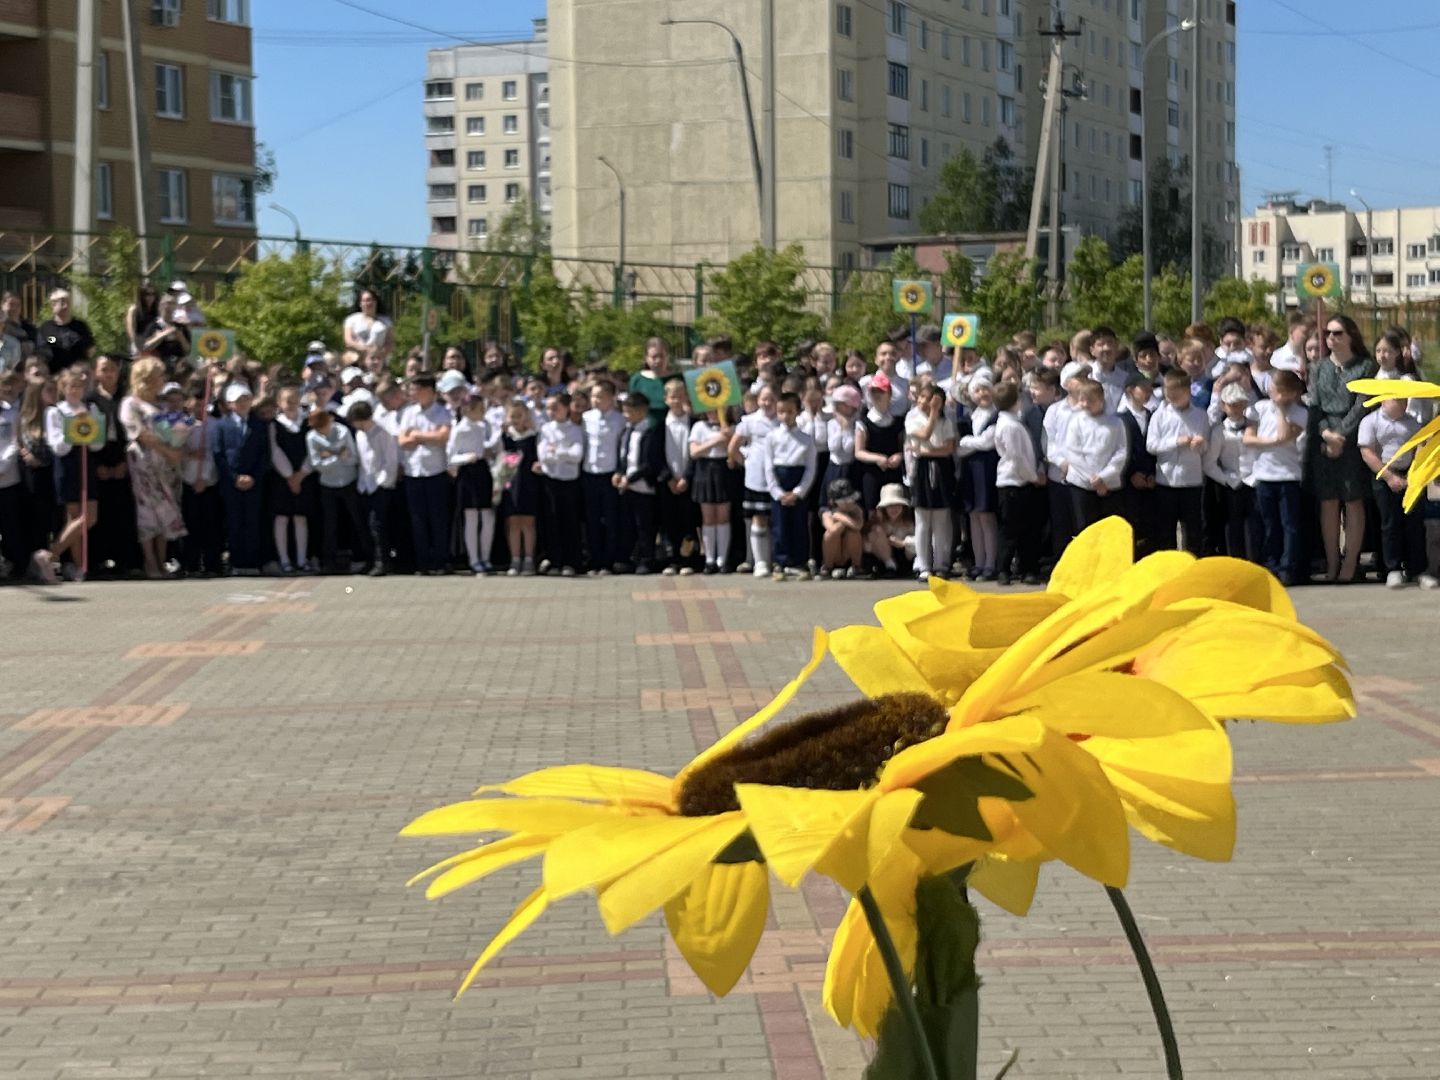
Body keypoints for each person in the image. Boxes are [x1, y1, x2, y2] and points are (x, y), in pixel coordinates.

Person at [1307, 315, 1376, 583]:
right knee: (1328, 502)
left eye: (1337, 333)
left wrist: (1341, 435)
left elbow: (1362, 405)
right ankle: (1332, 564)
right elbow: (1315, 404)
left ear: (1350, 335)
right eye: (1328, 333)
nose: (1331, 338)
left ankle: (1350, 564)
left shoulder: (1364, 366)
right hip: (1324, 439)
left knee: (1353, 499)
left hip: (1352, 438)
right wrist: (1325, 433)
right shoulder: (1318, 367)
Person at [1245, 369, 1308, 586]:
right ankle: (1271, 563)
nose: (1272, 391)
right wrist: (1271, 442)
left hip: (1288, 475)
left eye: (1278, 389)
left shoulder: (1300, 413)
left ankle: (1288, 566)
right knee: (1269, 523)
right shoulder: (1260, 408)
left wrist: (1281, 408)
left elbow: (1284, 435)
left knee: (1289, 524)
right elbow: (1248, 438)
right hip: (1264, 474)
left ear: (1290, 393)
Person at [1358, 394, 1426, 589]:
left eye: (1404, 400)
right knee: (1389, 524)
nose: (1402, 403)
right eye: (1397, 399)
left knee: (1414, 523)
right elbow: (1367, 452)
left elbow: (1419, 449)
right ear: (1384, 400)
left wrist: (1413, 476)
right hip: (1383, 473)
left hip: (1410, 475)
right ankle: (1392, 569)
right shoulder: (1370, 421)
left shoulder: (1413, 423)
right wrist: (1389, 477)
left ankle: (1418, 569)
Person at [43, 366, 101, 579]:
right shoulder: (55, 411)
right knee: (75, 517)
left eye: (79, 386)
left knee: (90, 517)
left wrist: (87, 424)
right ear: (63, 388)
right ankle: (78, 567)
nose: (75, 390)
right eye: (71, 386)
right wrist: (76, 425)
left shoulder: (91, 409)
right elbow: (58, 446)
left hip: (87, 461)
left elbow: (97, 443)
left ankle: (50, 554)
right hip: (68, 465)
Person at [1147, 368, 1209, 555]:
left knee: (1193, 529)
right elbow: (1151, 445)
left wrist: (1200, 444)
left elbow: (1205, 448)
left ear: (1188, 391)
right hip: (1166, 480)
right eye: (1169, 395)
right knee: (1166, 529)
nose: (1172, 399)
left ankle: (1193, 563)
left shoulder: (1200, 415)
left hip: (1191, 480)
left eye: (1177, 395)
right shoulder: (1160, 415)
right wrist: (1175, 442)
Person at [397, 374, 452, 575]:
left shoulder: (441, 412)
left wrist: (418, 435)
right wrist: (426, 437)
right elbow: (403, 441)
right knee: (417, 520)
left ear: (429, 390)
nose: (413, 393)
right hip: (413, 472)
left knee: (438, 519)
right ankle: (422, 562)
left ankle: (440, 560)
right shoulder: (408, 413)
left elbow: (442, 436)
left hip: (435, 472)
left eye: (416, 389)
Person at [991, 381, 1043, 585]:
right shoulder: (1010, 426)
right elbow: (1016, 457)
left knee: (1025, 529)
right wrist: (1033, 476)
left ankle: (1025, 567)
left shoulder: (1012, 422)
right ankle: (1004, 569)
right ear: (1016, 401)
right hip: (1014, 482)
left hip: (1019, 480)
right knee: (1012, 529)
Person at [1059, 379, 1127, 531]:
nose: (1085, 404)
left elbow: (1120, 452)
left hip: (1108, 484)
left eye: (1090, 400)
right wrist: (1093, 478)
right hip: (1082, 483)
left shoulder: (1115, 423)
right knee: (1085, 529)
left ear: (1101, 400)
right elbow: (1073, 452)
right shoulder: (1076, 421)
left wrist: (1103, 477)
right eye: (1082, 400)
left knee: (1108, 530)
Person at [763, 391, 818, 581]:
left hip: (798, 481)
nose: (785, 416)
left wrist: (799, 492)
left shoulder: (806, 438)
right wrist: (777, 492)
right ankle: (780, 562)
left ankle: (800, 562)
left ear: (797, 412)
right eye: (781, 412)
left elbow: (811, 468)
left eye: (789, 411)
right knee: (780, 525)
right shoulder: (772, 437)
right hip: (779, 481)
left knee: (799, 524)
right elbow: (768, 466)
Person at [306, 406, 368, 574]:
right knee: (329, 524)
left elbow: (353, 457)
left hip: (348, 481)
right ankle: (328, 562)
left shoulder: (343, 432)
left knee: (356, 520)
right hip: (328, 484)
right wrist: (338, 456)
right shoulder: (312, 437)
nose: (323, 431)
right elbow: (317, 465)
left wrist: (330, 455)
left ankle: (361, 557)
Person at [905, 381, 956, 581]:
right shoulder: (913, 418)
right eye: (923, 398)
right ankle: (924, 565)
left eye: (931, 399)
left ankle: (942, 563)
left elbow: (949, 448)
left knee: (941, 520)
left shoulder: (946, 421)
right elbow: (924, 434)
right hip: (922, 468)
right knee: (923, 520)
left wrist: (929, 450)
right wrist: (933, 414)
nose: (925, 402)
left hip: (941, 468)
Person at [211, 381, 263, 577]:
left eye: (246, 399)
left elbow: (264, 454)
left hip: (253, 482)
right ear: (230, 403)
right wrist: (233, 478)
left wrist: (253, 476)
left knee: (252, 522)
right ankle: (236, 561)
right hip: (231, 483)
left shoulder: (258, 424)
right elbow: (219, 454)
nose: (243, 404)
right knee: (234, 522)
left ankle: (252, 561)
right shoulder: (222, 425)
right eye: (238, 401)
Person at [729, 385, 779, 576]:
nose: (767, 403)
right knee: (758, 518)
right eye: (764, 399)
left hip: (778, 477)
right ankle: (760, 562)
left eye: (772, 399)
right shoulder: (750, 421)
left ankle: (774, 560)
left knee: (776, 520)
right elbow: (733, 446)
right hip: (756, 477)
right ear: (758, 400)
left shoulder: (783, 421)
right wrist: (746, 462)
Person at [1203, 382, 1256, 560]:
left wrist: (1255, 475)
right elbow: (1209, 464)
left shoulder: (1254, 426)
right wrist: (1227, 479)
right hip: (1231, 484)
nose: (1237, 408)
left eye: (1240, 403)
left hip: (1253, 480)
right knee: (1232, 524)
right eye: (1232, 404)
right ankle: (1235, 560)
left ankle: (1255, 560)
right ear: (1223, 406)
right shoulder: (1219, 431)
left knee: (1254, 525)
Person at [447, 394, 498, 575]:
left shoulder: (483, 426)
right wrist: (468, 457)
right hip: (468, 473)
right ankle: (474, 559)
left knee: (487, 517)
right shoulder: (460, 429)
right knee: (471, 518)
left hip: (483, 471)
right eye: (479, 409)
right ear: (468, 410)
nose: (483, 412)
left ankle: (485, 557)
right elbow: (451, 455)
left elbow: (489, 444)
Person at [347, 400, 399, 577]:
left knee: (378, 525)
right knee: (366, 526)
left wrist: (382, 482)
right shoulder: (360, 435)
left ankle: (383, 560)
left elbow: (390, 461)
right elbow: (363, 461)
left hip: (380, 485)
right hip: (365, 485)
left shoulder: (383, 433)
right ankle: (371, 559)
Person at [957, 375, 1001, 580]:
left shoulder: (996, 415)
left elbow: (987, 442)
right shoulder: (971, 417)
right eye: (978, 390)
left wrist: (967, 442)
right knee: (973, 516)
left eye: (986, 389)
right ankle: (979, 561)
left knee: (986, 515)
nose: (982, 394)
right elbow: (958, 448)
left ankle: (991, 563)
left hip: (986, 469)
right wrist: (969, 443)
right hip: (970, 471)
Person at [535, 392, 584, 577]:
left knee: (569, 521)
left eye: (556, 408)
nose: (552, 412)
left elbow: (577, 455)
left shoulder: (575, 429)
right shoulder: (546, 429)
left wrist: (558, 452)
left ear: (566, 408)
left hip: (569, 481)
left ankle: (571, 562)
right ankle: (555, 560)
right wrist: (562, 454)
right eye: (549, 408)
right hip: (550, 480)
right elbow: (544, 455)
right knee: (552, 521)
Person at [614, 393, 663, 574]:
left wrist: (631, 478)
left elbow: (649, 463)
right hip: (626, 485)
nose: (626, 415)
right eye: (624, 411)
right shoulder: (627, 431)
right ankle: (627, 558)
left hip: (643, 485)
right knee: (627, 524)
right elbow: (623, 456)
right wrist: (619, 473)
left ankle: (646, 559)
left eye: (629, 411)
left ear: (642, 411)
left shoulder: (649, 432)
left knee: (644, 526)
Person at [179, 377, 223, 577]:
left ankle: (213, 563)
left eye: (203, 403)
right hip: (188, 481)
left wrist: (204, 478)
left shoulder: (215, 425)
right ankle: (191, 563)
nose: (200, 407)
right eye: (196, 403)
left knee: (211, 525)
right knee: (191, 525)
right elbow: (177, 451)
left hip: (209, 482)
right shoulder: (183, 425)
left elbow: (214, 455)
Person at [16, 376, 59, 581]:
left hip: (53, 472)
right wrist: (29, 456)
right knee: (37, 520)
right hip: (34, 477)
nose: (53, 394)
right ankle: (35, 564)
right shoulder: (26, 418)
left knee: (52, 518)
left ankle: (49, 560)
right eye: (48, 390)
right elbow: (26, 445)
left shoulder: (56, 414)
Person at [268, 385, 314, 574]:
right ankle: (285, 560)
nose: (291, 404)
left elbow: (313, 449)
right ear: (279, 403)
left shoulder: (307, 422)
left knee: (301, 518)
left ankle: (302, 559)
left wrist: (301, 474)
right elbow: (274, 450)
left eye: (294, 399)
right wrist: (289, 476)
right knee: (282, 518)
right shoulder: (275, 424)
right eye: (287, 400)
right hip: (282, 478)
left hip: (304, 477)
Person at [580, 379, 624, 574]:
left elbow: (622, 448)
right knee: (592, 519)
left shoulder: (620, 419)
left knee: (612, 519)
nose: (595, 400)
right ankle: (594, 559)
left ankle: (609, 559)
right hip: (590, 473)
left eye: (599, 396)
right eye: (593, 396)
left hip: (610, 474)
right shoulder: (586, 418)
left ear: (611, 398)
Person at [657, 380, 697, 575]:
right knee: (668, 521)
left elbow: (694, 454)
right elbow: (656, 454)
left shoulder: (693, 422)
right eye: (673, 397)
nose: (677, 400)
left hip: (687, 481)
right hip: (669, 481)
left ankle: (688, 559)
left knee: (688, 520)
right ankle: (671, 559)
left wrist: (686, 477)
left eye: (681, 396)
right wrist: (669, 478)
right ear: (666, 400)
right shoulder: (660, 425)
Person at [688, 405, 733, 574]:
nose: (713, 412)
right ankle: (709, 559)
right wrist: (716, 440)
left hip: (723, 470)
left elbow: (733, 450)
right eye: (710, 409)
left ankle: (722, 559)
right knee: (708, 517)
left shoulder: (729, 426)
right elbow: (694, 452)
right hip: (705, 470)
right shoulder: (699, 427)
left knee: (722, 516)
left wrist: (727, 436)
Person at [501, 399, 541, 576]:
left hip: (529, 483)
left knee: (528, 523)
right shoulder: (506, 438)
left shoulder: (533, 437)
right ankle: (515, 559)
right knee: (513, 522)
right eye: (512, 416)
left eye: (519, 416)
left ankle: (529, 559)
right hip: (511, 483)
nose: (516, 420)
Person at [853, 375, 903, 515]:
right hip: (872, 473)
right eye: (873, 392)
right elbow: (859, 452)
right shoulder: (863, 422)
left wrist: (900, 456)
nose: (877, 395)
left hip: (894, 472)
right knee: (873, 511)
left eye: (881, 391)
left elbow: (905, 447)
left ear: (889, 394)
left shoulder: (898, 421)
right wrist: (877, 458)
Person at [35, 289, 95, 375]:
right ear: (53, 305)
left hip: (77, 375)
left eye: (68, 302)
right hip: (53, 375)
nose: (66, 306)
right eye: (62, 303)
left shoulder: (81, 326)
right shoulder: (46, 328)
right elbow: (41, 351)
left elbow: (90, 349)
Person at [819, 477, 865, 578]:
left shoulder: (856, 509)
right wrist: (840, 518)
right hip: (835, 553)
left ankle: (856, 566)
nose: (849, 502)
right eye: (844, 500)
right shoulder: (827, 512)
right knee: (829, 535)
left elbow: (858, 526)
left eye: (850, 498)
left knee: (853, 533)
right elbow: (833, 530)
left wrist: (841, 517)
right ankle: (828, 567)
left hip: (848, 553)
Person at [866, 483, 915, 576]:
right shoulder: (877, 523)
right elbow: (866, 545)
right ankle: (889, 566)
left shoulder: (909, 522)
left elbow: (922, 544)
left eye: (897, 505)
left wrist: (903, 543)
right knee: (876, 531)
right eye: (890, 506)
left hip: (905, 560)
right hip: (883, 562)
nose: (894, 509)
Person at [343, 289, 394, 372]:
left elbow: (390, 343)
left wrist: (378, 353)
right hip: (356, 360)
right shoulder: (351, 320)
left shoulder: (386, 321)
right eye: (364, 301)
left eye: (370, 300)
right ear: (360, 303)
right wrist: (365, 349)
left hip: (378, 361)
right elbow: (348, 340)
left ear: (375, 302)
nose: (368, 303)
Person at [628, 337, 674, 424]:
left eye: (661, 356)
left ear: (667, 357)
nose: (658, 360)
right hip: (644, 430)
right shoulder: (637, 379)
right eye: (654, 357)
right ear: (646, 358)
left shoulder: (678, 379)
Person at [140, 293, 191, 371]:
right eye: (168, 303)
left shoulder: (181, 326)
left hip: (179, 365)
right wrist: (162, 335)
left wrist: (180, 337)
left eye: (173, 304)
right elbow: (145, 347)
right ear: (161, 306)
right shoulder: (154, 325)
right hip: (158, 365)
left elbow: (188, 350)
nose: (170, 307)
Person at [2, 290, 37, 373]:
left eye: (18, 305)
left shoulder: (29, 327)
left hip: (26, 370)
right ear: (2, 305)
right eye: (11, 304)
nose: (14, 308)